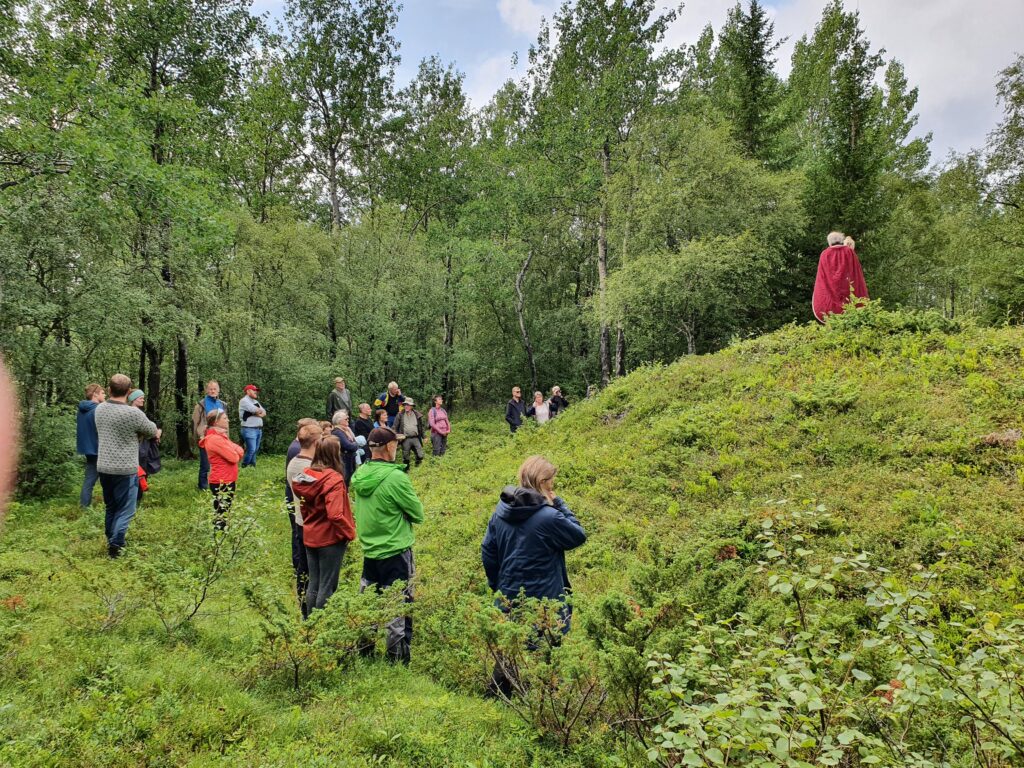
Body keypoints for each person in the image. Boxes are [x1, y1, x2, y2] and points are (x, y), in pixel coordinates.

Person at [481, 456, 587, 696]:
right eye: (551, 482)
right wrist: (558, 502)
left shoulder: (501, 512)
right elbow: (578, 535)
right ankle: (547, 700)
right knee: (548, 645)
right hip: (545, 594)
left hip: (508, 591)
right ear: (542, 481)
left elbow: (488, 551)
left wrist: (497, 583)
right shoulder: (549, 517)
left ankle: (497, 696)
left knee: (510, 645)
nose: (553, 486)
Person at [350, 427, 425, 664]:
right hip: (395, 550)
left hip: (370, 549)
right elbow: (417, 513)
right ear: (390, 447)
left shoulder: (361, 473)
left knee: (369, 601)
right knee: (399, 605)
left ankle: (365, 652)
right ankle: (397, 660)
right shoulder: (396, 477)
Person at [94, 374, 160, 557]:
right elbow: (151, 430)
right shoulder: (133, 414)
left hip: (104, 466)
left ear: (109, 390)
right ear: (129, 391)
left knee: (111, 506)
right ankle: (116, 544)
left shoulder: (99, 409)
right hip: (125, 468)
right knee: (127, 509)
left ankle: (110, 538)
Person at [291, 437, 356, 614]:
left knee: (314, 583)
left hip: (310, 534)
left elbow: (303, 506)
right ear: (335, 453)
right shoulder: (333, 479)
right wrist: (350, 532)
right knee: (328, 585)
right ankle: (322, 626)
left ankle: (310, 624)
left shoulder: (306, 475)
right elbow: (335, 514)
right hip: (330, 538)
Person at [286, 421, 320, 617]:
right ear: (315, 443)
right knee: (310, 571)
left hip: (301, 521)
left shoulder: (295, 462)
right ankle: (309, 611)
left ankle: (306, 607)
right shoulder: (308, 468)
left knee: (305, 570)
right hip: (310, 523)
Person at [198, 410, 244, 530]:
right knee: (221, 511)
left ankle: (221, 536)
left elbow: (238, 449)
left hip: (227, 478)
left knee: (225, 509)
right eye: (225, 418)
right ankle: (219, 537)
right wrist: (236, 452)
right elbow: (234, 457)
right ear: (216, 422)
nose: (227, 420)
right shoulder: (214, 439)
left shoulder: (221, 436)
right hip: (221, 480)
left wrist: (236, 451)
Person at [812, 231, 869, 323]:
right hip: (848, 288)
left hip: (831, 291)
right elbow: (855, 270)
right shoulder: (849, 251)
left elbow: (822, 276)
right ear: (841, 240)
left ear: (829, 242)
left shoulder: (825, 254)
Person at [128, 389, 161, 505]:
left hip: (141, 447)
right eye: (140, 397)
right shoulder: (136, 413)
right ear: (133, 399)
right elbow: (150, 431)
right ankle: (136, 500)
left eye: (143, 397)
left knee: (139, 473)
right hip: (139, 449)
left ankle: (136, 500)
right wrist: (157, 433)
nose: (143, 399)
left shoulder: (136, 412)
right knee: (139, 473)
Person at [192, 380, 226, 491]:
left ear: (218, 390)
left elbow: (225, 422)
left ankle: (218, 484)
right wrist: (200, 436)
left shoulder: (222, 404)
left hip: (220, 438)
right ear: (207, 390)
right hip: (206, 438)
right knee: (205, 465)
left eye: (215, 389)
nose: (212, 391)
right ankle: (203, 486)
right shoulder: (201, 405)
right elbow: (195, 422)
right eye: (210, 389)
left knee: (219, 463)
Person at [76, 383, 105, 508]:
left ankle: (84, 506)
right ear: (95, 394)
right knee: (108, 479)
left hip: (88, 449)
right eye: (103, 393)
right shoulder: (98, 409)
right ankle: (111, 505)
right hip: (99, 448)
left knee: (89, 479)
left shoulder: (82, 409)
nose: (105, 395)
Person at [238, 384, 266, 468]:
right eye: (254, 390)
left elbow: (264, 412)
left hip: (258, 429)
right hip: (249, 429)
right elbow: (256, 410)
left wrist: (257, 413)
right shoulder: (244, 400)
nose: (256, 392)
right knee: (251, 449)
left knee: (255, 449)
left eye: (256, 390)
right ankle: (244, 465)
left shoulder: (255, 401)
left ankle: (252, 465)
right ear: (248, 391)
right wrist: (257, 412)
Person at [392, 399, 425, 467]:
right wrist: (395, 436)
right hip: (405, 438)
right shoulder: (400, 414)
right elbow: (395, 426)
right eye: (405, 405)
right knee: (406, 456)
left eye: (408, 405)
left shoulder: (417, 414)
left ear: (412, 406)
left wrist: (424, 437)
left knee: (420, 455)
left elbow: (421, 427)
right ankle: (406, 469)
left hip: (416, 438)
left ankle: (417, 465)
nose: (406, 406)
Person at [330, 409, 359, 482]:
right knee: (345, 478)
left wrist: (354, 444)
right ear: (339, 421)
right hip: (344, 459)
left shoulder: (346, 430)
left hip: (350, 457)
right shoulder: (337, 432)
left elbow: (353, 442)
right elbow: (349, 446)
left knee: (349, 477)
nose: (348, 420)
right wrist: (355, 445)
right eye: (346, 419)